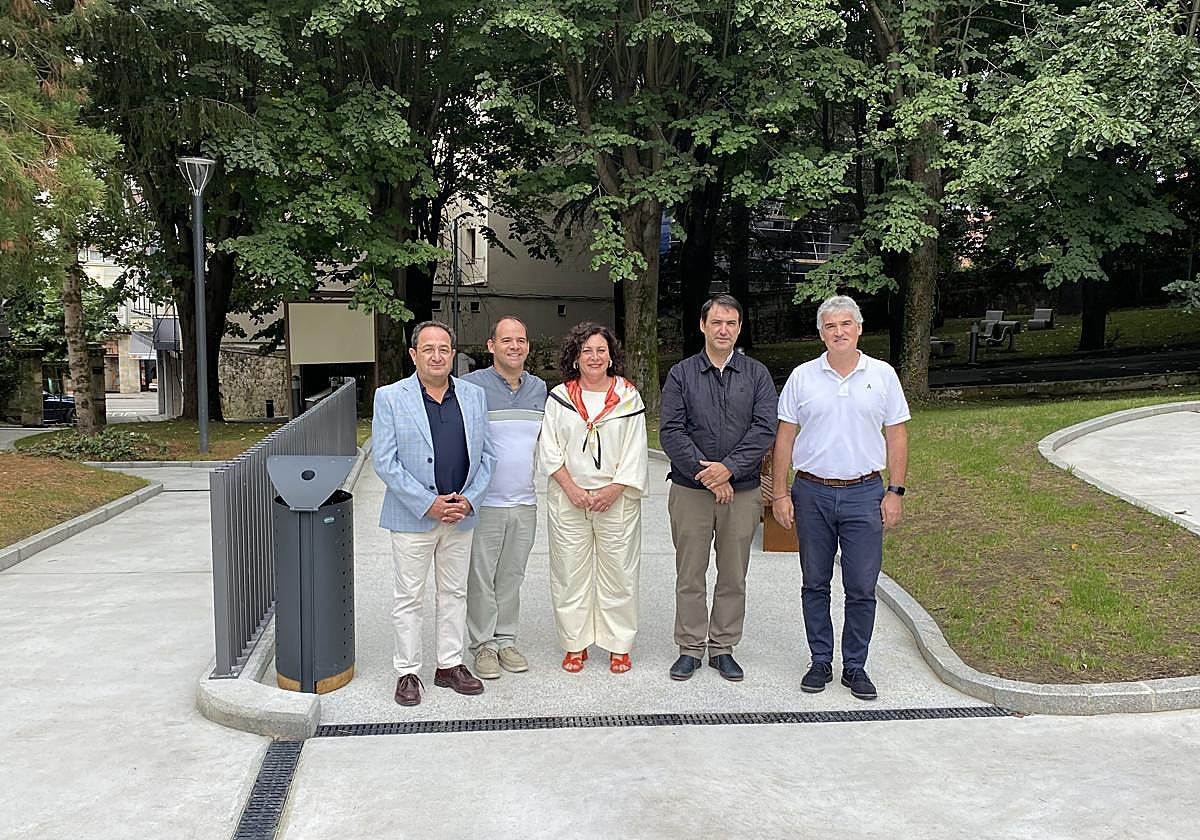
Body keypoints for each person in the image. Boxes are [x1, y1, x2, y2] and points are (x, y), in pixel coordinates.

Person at [771, 295, 909, 701]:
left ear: (860, 328)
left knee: (862, 586)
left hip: (865, 493)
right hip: (811, 491)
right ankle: (820, 660)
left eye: (846, 324)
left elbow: (897, 435)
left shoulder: (882, 376)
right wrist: (780, 492)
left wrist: (895, 491)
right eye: (830, 326)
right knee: (815, 583)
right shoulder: (802, 377)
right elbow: (784, 437)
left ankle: (855, 666)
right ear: (821, 333)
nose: (839, 332)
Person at [372, 320, 496, 707]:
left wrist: (469, 499)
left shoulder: (474, 397)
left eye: (444, 348)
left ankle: (449, 664)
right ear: (414, 355)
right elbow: (385, 462)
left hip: (461, 515)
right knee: (409, 596)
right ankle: (407, 671)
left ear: (453, 354)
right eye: (429, 349)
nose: (437, 355)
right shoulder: (390, 398)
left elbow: (487, 456)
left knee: (454, 593)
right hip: (414, 517)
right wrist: (429, 504)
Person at [659, 295, 778, 682]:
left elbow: (764, 429)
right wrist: (708, 474)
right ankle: (690, 648)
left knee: (733, 573)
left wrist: (729, 470)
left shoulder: (757, 375)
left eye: (731, 323)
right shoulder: (681, 374)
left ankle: (723, 646)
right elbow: (671, 431)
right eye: (716, 322)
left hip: (741, 492)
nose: (723, 329)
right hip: (691, 490)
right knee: (690, 573)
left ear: (739, 327)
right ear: (703, 326)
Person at [538, 322, 648, 674]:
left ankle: (619, 645)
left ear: (611, 355)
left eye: (601, 350)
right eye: (587, 351)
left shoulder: (628, 396)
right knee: (570, 572)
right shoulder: (559, 398)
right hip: (569, 500)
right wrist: (571, 489)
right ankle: (575, 643)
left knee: (619, 573)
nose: (595, 357)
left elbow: (636, 451)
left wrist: (614, 490)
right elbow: (550, 448)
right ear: (575, 357)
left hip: (616, 500)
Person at [461, 316, 547, 679]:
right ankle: (482, 646)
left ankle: (506, 639)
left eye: (521, 340)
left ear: (527, 346)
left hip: (524, 502)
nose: (515, 346)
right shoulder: (470, 386)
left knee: (512, 575)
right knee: (481, 577)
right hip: (485, 503)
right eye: (507, 340)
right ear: (491, 345)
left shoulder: (540, 389)